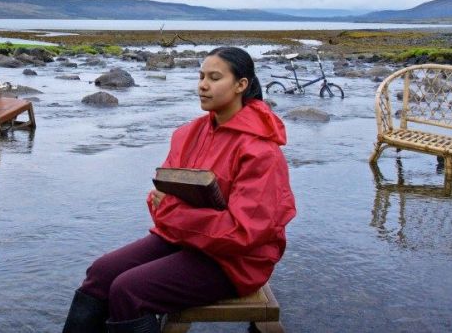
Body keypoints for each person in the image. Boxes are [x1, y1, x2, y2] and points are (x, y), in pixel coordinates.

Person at [62, 46, 296, 333]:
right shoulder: (188, 134)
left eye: (214, 77)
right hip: (185, 238)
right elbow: (158, 196)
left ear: (241, 85)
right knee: (100, 273)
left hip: (236, 261)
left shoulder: (261, 151)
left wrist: (172, 210)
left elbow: (244, 233)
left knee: (128, 290)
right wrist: (167, 208)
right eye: (200, 76)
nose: (203, 85)